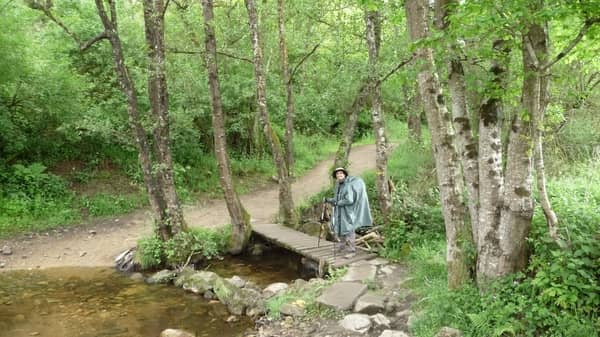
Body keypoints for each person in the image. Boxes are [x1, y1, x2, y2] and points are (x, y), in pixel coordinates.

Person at [325, 167, 373, 258]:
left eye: (341, 173)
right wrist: (329, 200)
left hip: (348, 212)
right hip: (340, 211)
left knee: (349, 230)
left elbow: (349, 200)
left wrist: (338, 203)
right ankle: (341, 246)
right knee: (340, 229)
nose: (339, 175)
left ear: (344, 174)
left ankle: (352, 251)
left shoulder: (348, 185)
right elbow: (337, 199)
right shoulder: (338, 185)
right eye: (337, 174)